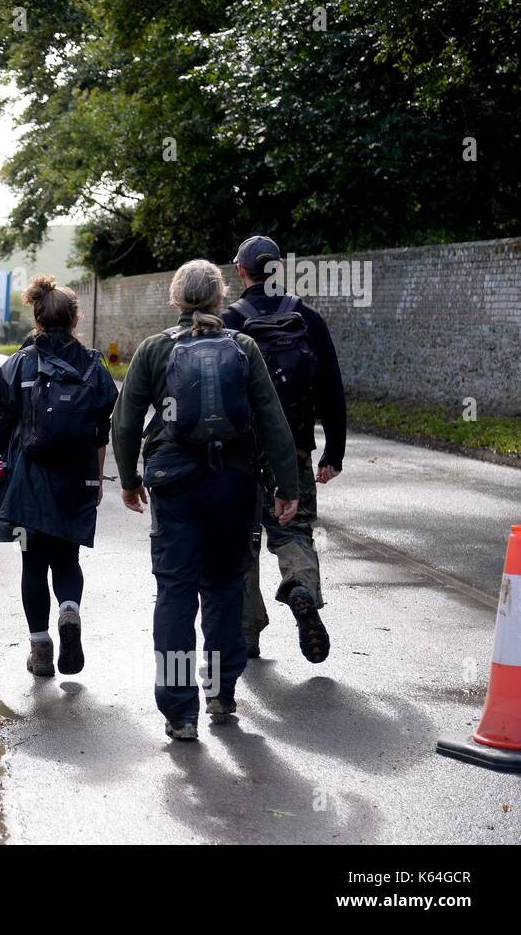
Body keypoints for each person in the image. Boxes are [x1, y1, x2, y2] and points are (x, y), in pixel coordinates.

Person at [112, 259, 299, 740]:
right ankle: (220, 692)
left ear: (176, 299)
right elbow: (273, 420)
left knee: (175, 592)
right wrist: (287, 486)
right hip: (234, 484)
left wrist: (130, 479)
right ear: (219, 299)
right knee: (224, 586)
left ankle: (180, 712)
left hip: (174, 484)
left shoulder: (155, 350)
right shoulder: (242, 347)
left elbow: (126, 421)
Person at [0, 276, 118, 677]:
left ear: (36, 319)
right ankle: (69, 612)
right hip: (76, 478)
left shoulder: (17, 365)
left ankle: (40, 648)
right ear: (76, 320)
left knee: (32, 563)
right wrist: (95, 480)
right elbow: (100, 431)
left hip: (28, 482)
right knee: (68, 556)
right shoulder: (94, 367)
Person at [222, 235, 347, 663]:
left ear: (241, 271)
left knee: (242, 538)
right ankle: (300, 588)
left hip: (240, 451)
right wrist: (334, 452)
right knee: (294, 529)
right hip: (293, 449)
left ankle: (246, 633)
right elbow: (331, 388)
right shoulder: (307, 318)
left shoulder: (229, 323)